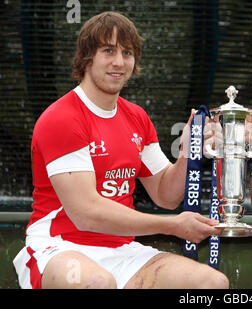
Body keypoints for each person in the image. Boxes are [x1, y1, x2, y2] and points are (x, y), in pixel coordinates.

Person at [13, 11, 229, 289]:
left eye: (127, 52)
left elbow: (166, 195)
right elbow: (85, 213)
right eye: (108, 51)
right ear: (86, 58)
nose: (119, 62)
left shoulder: (137, 117)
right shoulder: (62, 118)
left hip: (122, 249)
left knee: (211, 282)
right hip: (59, 248)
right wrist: (172, 225)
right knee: (97, 282)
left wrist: (189, 150)